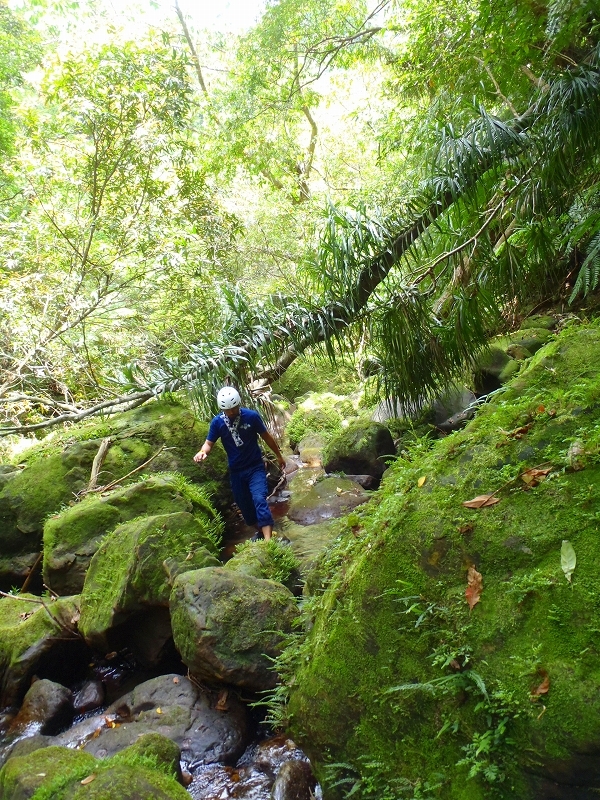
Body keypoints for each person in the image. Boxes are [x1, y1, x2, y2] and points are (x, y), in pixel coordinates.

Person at [193, 387, 286, 541]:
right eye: (227, 410)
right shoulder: (218, 423)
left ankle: (269, 543)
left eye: (233, 408)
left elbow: (266, 437)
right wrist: (202, 452)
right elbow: (209, 443)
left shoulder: (251, 417)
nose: (231, 412)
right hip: (236, 472)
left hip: (255, 467)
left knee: (259, 499)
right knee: (245, 508)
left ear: (238, 405)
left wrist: (279, 456)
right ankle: (262, 532)